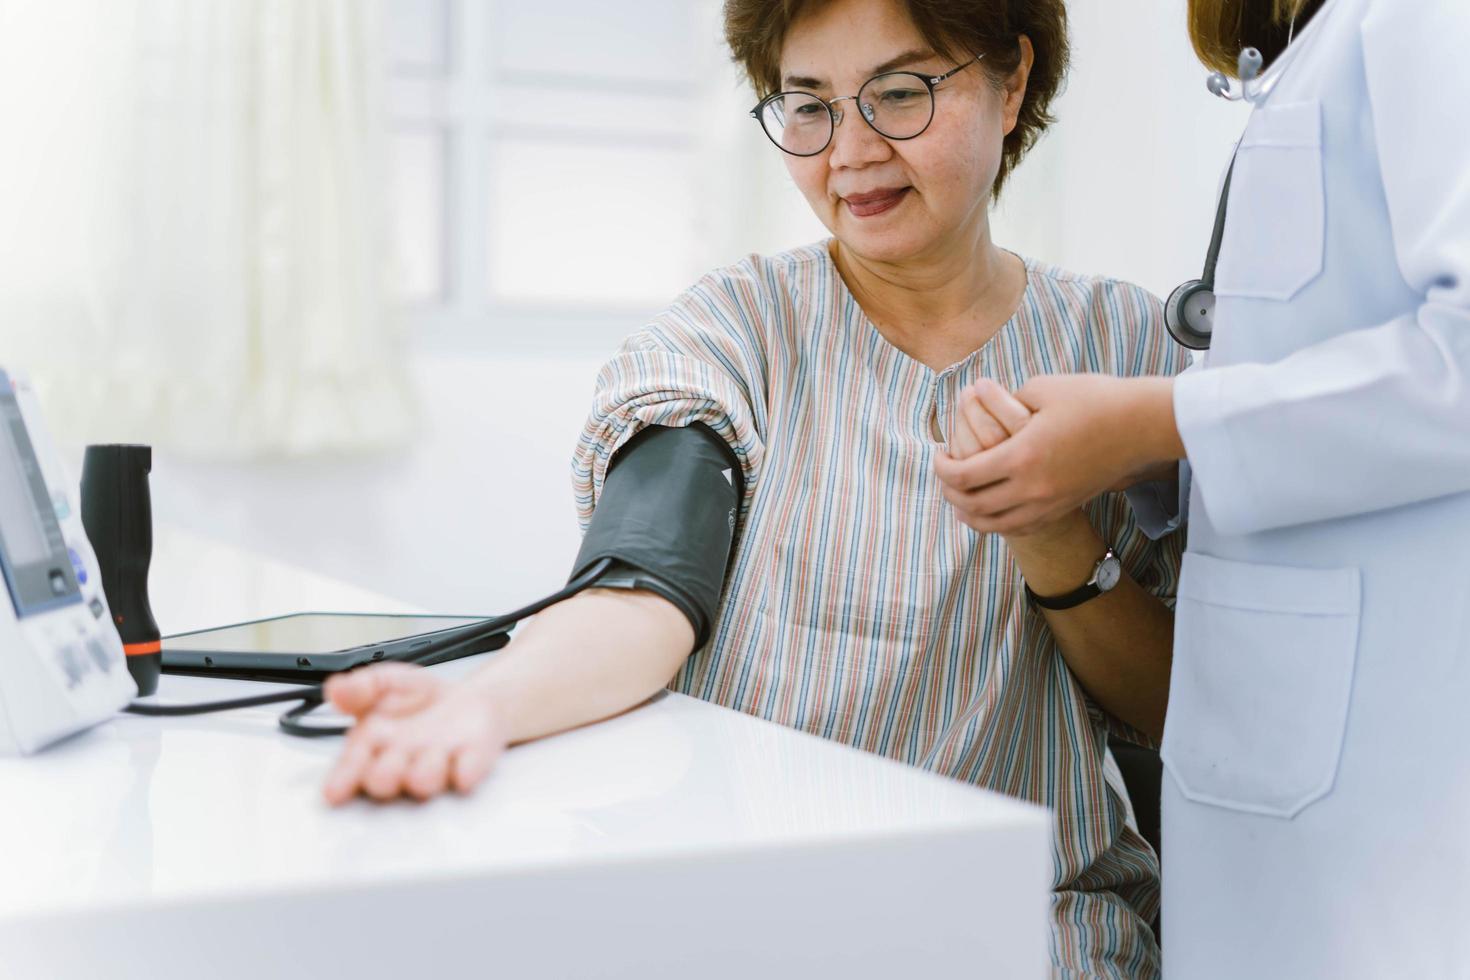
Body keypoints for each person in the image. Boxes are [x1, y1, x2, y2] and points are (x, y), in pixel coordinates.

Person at [324, 1, 1190, 973]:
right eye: (808, 104)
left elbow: (1186, 711)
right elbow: (646, 579)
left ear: (1013, 79)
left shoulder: (1128, 352)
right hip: (738, 911)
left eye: (900, 94)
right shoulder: (736, 328)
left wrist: (1051, 535)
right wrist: (484, 705)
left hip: (1022, 922)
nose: (849, 152)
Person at [935, 0, 1470, 975]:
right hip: (1280, 803)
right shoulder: (1322, 51)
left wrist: (1159, 422)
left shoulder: (1421, 19)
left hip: (1384, 826)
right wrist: (1154, 455)